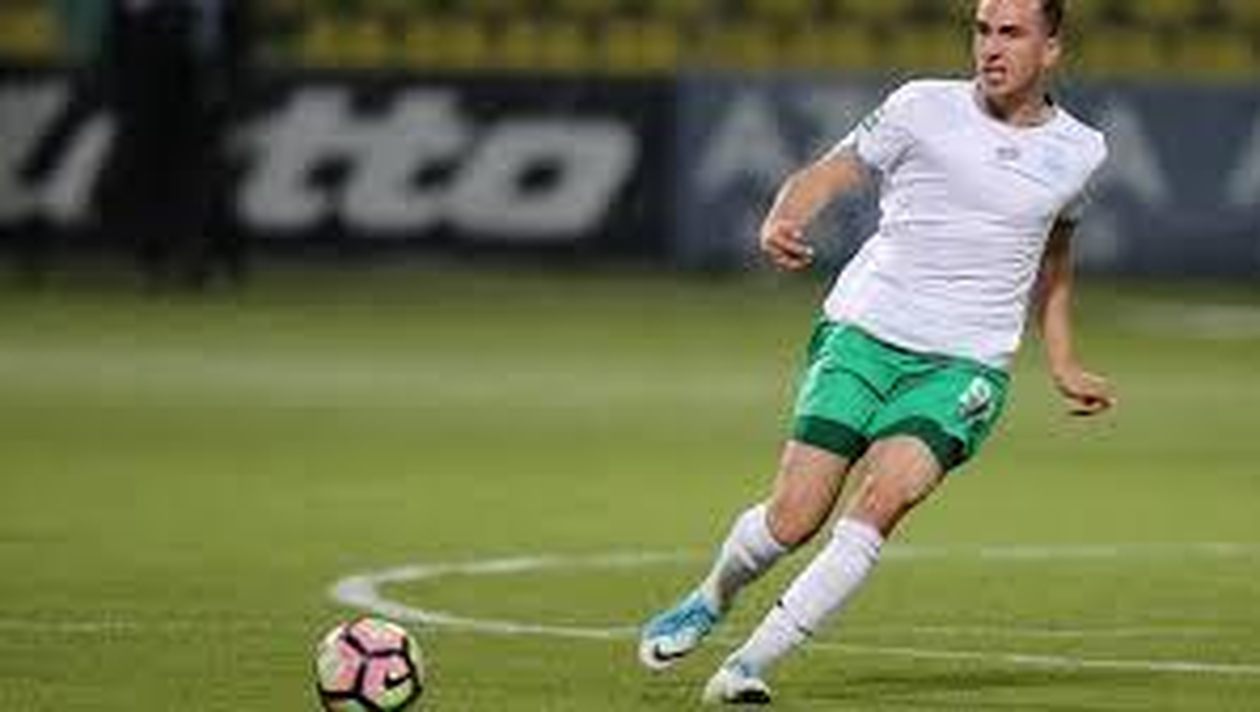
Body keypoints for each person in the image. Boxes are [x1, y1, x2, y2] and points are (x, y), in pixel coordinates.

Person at [637, 0, 1115, 704]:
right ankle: (711, 596)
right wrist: (783, 215)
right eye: (982, 30)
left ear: (1050, 49)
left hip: (965, 365)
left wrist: (1064, 360)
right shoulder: (920, 106)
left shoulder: (1081, 150)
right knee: (794, 518)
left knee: (882, 500)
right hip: (864, 334)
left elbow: (1054, 258)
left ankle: (747, 666)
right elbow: (830, 172)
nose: (991, 47)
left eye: (1011, 33)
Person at [95, 0, 251, 289]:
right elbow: (118, 41)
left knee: (197, 182)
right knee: (150, 181)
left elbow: (235, 43)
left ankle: (195, 258)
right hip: (150, 101)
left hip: (197, 102)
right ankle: (158, 259)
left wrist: (229, 91)